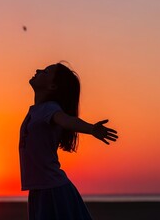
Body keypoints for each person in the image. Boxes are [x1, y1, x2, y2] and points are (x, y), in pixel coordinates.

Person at [19, 62, 118, 219]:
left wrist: (91, 129)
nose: (38, 70)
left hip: (52, 189)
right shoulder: (37, 110)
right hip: (39, 189)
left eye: (45, 71)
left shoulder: (49, 108)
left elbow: (66, 121)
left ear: (52, 87)